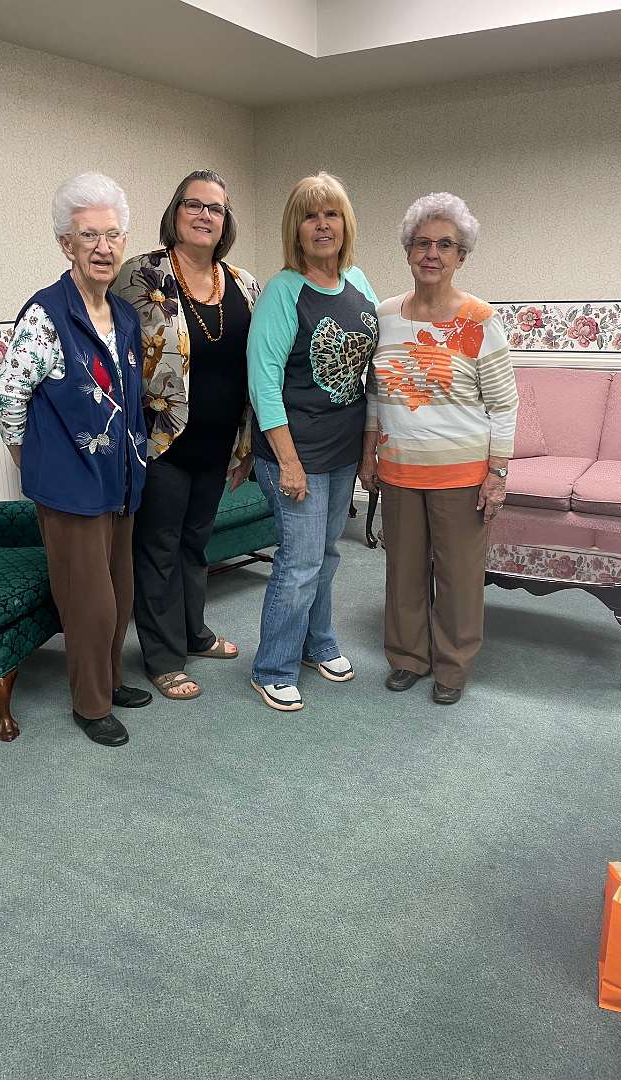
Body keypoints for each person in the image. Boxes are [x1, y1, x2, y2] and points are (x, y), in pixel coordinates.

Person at [0, 172, 150, 747]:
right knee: (90, 604)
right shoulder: (46, 314)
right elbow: (8, 393)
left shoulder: (124, 316)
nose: (103, 248)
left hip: (121, 479)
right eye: (89, 236)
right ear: (66, 244)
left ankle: (109, 680)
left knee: (120, 592)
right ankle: (91, 704)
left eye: (112, 235)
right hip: (70, 487)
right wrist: (27, 455)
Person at [359, 192, 518, 705]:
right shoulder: (384, 315)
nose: (432, 254)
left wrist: (497, 474)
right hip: (399, 469)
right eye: (422, 243)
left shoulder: (478, 320)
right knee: (403, 572)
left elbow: (504, 403)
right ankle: (408, 656)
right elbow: (376, 392)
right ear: (408, 251)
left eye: (445, 245)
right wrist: (369, 451)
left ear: (461, 256)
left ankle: (452, 665)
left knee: (458, 579)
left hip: (462, 474)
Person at [112, 170, 260, 700]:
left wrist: (246, 445)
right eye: (193, 205)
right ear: (175, 212)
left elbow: (256, 367)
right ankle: (163, 657)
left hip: (218, 444)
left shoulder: (244, 284)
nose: (204, 215)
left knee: (196, 543)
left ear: (226, 222)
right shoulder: (140, 275)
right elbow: (110, 349)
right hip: (162, 443)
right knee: (159, 548)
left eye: (215, 208)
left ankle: (194, 632)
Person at [248, 172, 379, 712]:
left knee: (325, 555)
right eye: (310, 215)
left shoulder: (359, 282)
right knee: (299, 562)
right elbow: (263, 383)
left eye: (331, 214)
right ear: (295, 229)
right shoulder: (283, 291)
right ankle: (272, 667)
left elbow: (372, 370)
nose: (322, 225)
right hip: (293, 451)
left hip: (342, 448)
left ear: (346, 224)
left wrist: (368, 449)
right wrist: (288, 462)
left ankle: (317, 642)